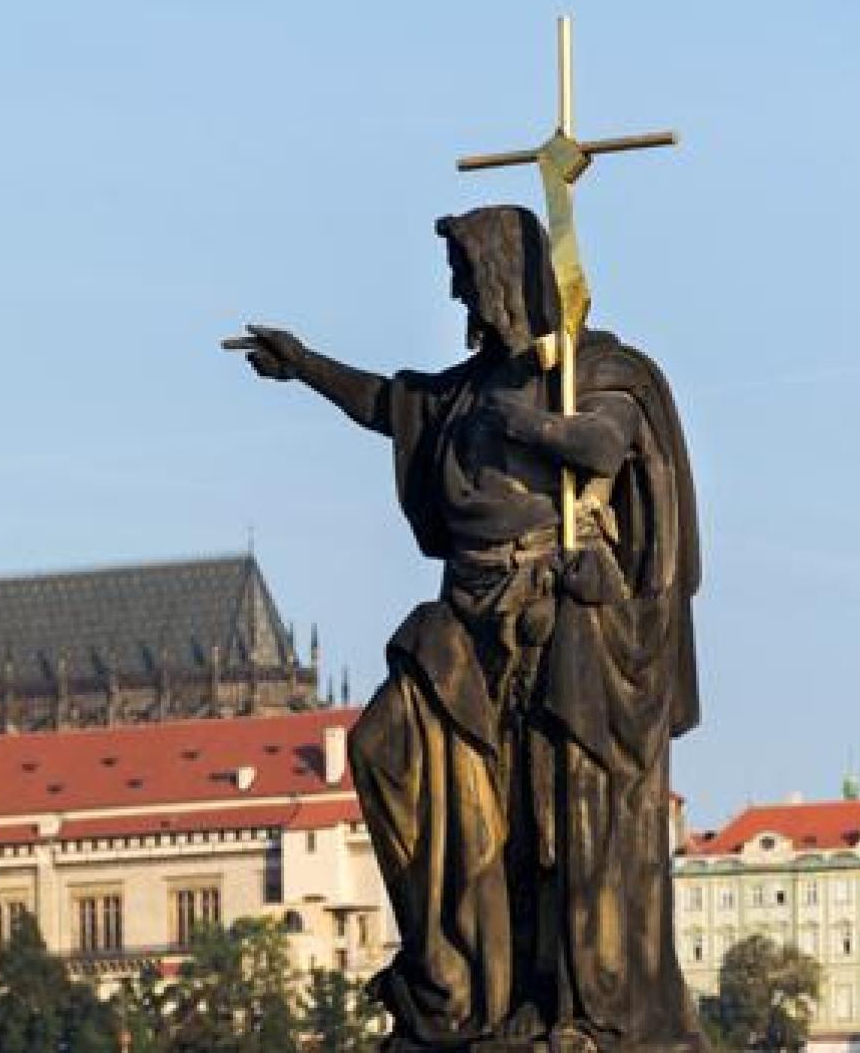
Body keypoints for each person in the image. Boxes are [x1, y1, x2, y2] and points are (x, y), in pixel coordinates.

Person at [236, 205, 704, 1052]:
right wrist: (304, 366)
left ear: (502, 278)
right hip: (465, 612)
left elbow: (604, 447)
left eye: (463, 275)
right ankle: (452, 975)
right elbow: (391, 402)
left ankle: (568, 1006)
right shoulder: (472, 384)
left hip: (555, 619)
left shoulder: (594, 369)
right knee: (385, 744)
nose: (455, 292)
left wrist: (524, 424)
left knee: (555, 813)